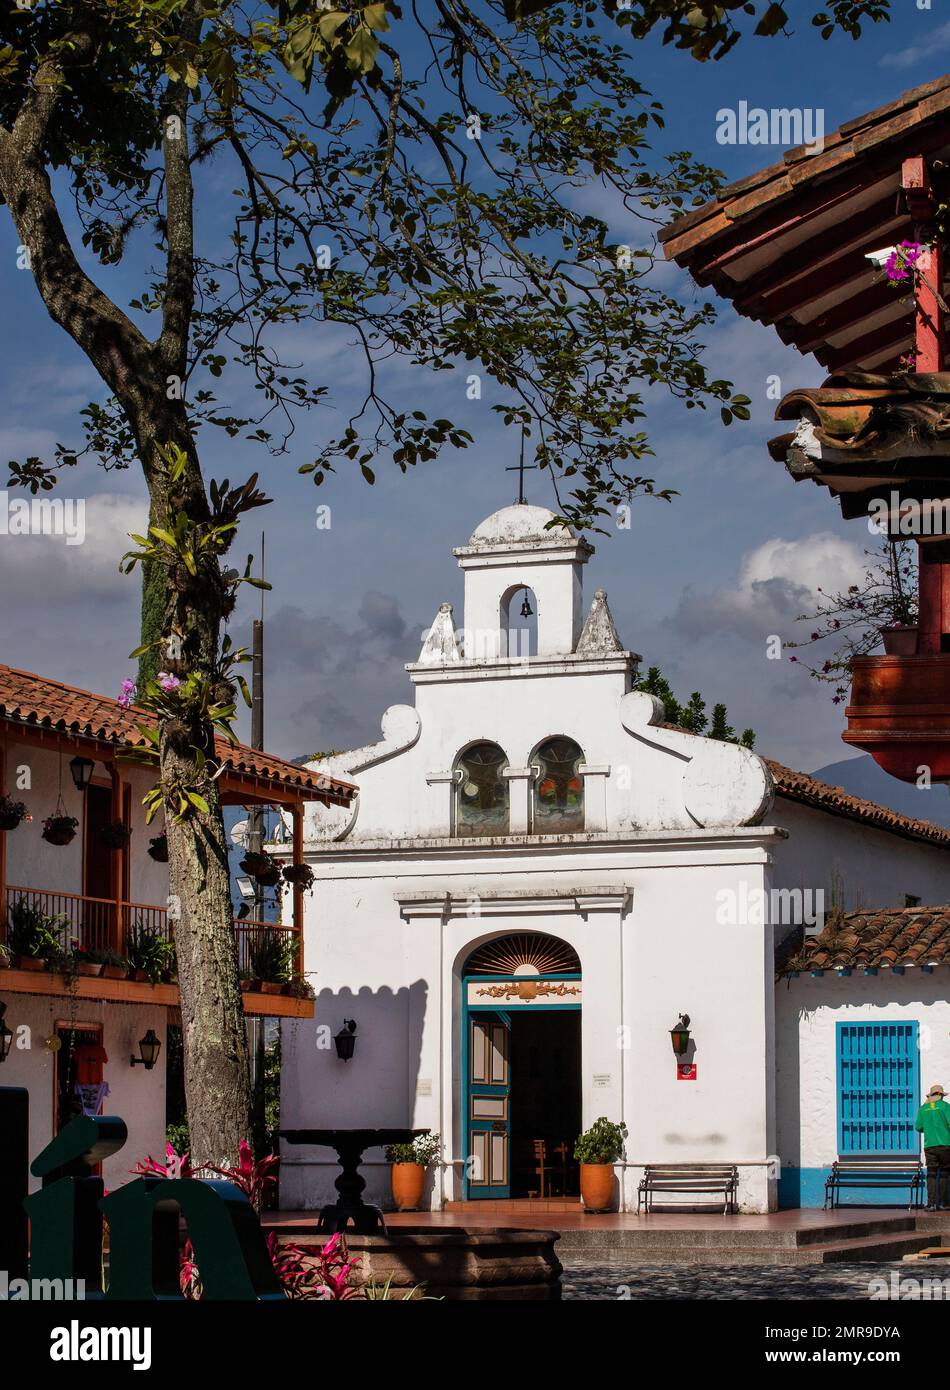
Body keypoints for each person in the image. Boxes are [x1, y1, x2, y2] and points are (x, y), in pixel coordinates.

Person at [914, 1084, 950, 1211]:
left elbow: (918, 1127)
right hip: (945, 1144)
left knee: (931, 1174)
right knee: (945, 1174)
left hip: (930, 1146)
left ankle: (930, 1204)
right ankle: (944, 1203)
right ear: (940, 1095)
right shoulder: (945, 1107)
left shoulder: (923, 1109)